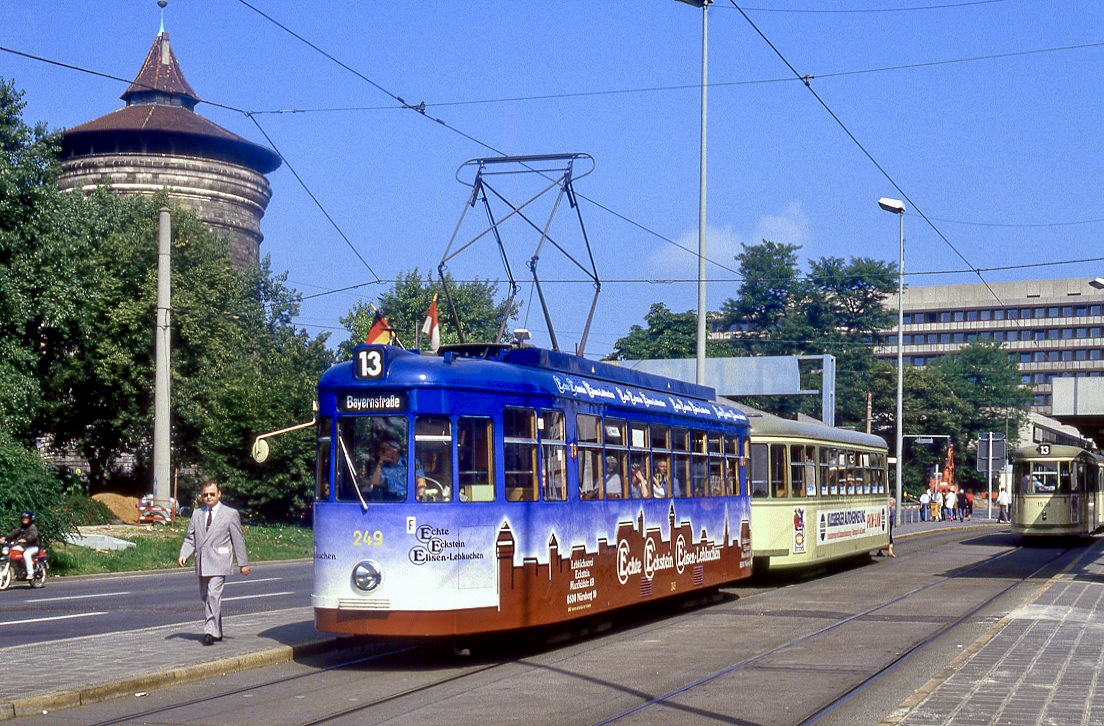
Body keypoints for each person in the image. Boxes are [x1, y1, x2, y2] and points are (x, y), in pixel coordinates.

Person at [178, 482, 250, 645]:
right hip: (202, 561)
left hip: (220, 561)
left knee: (213, 595)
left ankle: (210, 632)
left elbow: (238, 539)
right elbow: (191, 537)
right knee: (206, 597)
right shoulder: (197, 514)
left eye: (212, 494)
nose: (208, 497)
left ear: (219, 494)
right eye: (205, 495)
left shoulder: (230, 514)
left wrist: (243, 563)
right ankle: (217, 630)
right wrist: (184, 554)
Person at [2, 511, 39, 579]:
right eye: (23, 519)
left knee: (26, 554)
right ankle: (20, 570)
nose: (24, 520)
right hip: (23, 546)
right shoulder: (21, 528)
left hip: (32, 546)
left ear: (30, 519)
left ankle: (30, 573)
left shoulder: (32, 527)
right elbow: (13, 533)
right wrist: (5, 538)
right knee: (12, 551)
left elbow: (33, 536)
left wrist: (26, 539)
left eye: (26, 519)